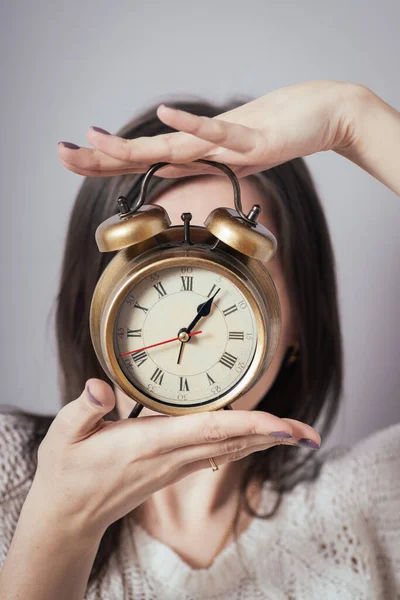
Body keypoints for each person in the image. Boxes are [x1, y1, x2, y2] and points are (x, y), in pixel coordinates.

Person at [0, 80, 398, 599]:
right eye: (150, 275)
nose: (182, 330)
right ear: (96, 308)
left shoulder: (374, 497)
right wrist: (60, 528)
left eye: (233, 268)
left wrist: (352, 119)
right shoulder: (8, 477)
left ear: (297, 319)